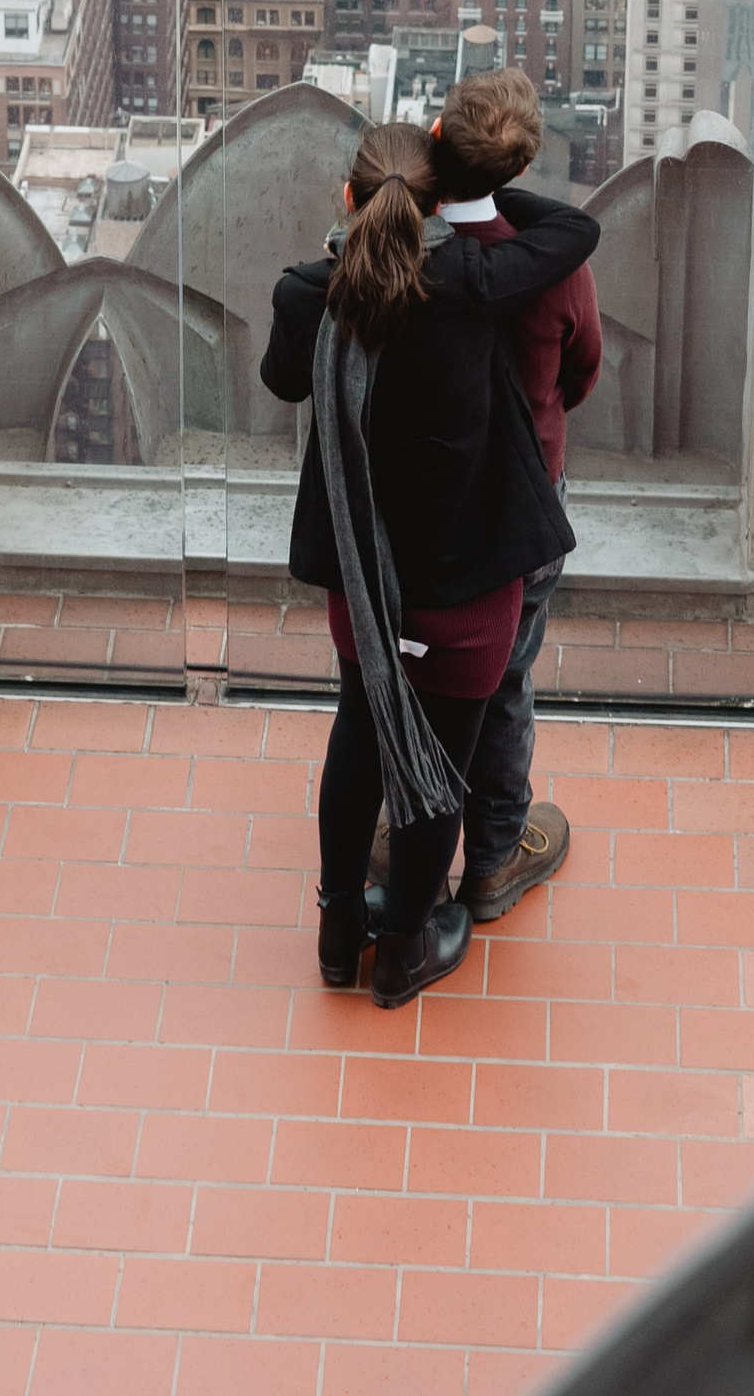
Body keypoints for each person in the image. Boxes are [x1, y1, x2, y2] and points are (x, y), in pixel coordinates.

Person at [261, 118, 601, 1010]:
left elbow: (282, 381)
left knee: (359, 735)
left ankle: (340, 931)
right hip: (466, 593)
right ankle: (410, 941)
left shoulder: (310, 295)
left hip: (362, 591)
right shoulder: (470, 281)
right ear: (436, 203)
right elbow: (575, 232)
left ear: (349, 198)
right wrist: (466, 178)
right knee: (442, 760)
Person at [429, 66, 602, 924]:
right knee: (506, 675)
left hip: (426, 495)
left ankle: (414, 821)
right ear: (521, 162)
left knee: (418, 657)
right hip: (527, 500)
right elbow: (583, 370)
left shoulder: (409, 253)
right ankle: (494, 855)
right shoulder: (553, 269)